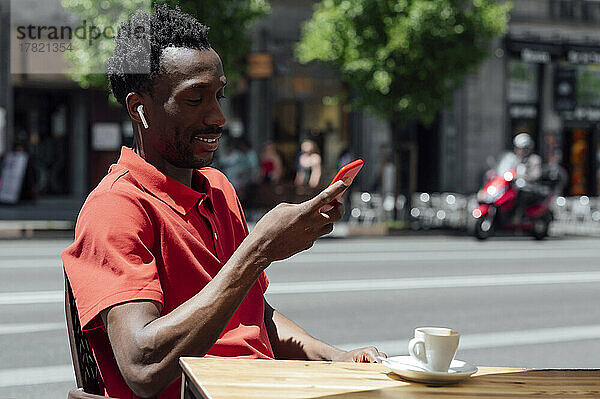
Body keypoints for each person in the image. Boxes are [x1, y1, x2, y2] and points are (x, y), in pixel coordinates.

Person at [61, 6, 384, 399]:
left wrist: (335, 358)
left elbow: (253, 315)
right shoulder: (116, 208)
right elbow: (143, 367)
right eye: (195, 99)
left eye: (219, 95)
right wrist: (257, 250)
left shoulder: (218, 188)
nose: (218, 117)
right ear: (137, 108)